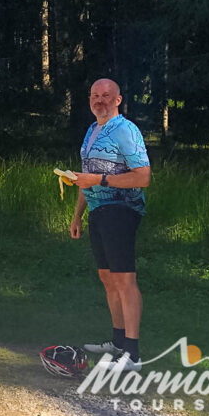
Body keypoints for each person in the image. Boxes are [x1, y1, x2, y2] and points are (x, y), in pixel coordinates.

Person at [67, 78, 151, 372]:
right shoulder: (92, 130)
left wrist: (100, 180)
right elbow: (85, 178)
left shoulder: (126, 130)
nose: (99, 101)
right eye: (94, 96)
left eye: (106, 96)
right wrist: (77, 215)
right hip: (98, 210)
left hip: (122, 209)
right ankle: (118, 342)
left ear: (118, 100)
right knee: (107, 277)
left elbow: (143, 176)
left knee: (125, 280)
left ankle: (133, 355)